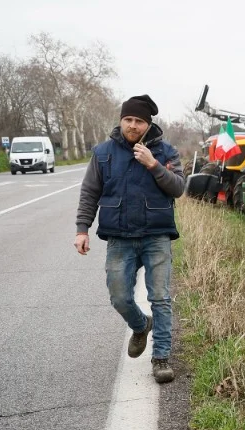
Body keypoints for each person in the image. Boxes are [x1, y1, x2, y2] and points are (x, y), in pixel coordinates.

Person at [73, 94, 185, 384]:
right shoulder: (103, 153)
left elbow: (178, 188)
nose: (132, 125)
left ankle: (161, 359)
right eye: (128, 120)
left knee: (160, 298)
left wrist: (153, 165)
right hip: (119, 238)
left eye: (139, 121)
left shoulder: (167, 152)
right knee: (119, 297)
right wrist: (82, 229)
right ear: (121, 120)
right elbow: (89, 193)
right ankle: (140, 324)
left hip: (156, 237)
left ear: (148, 124)